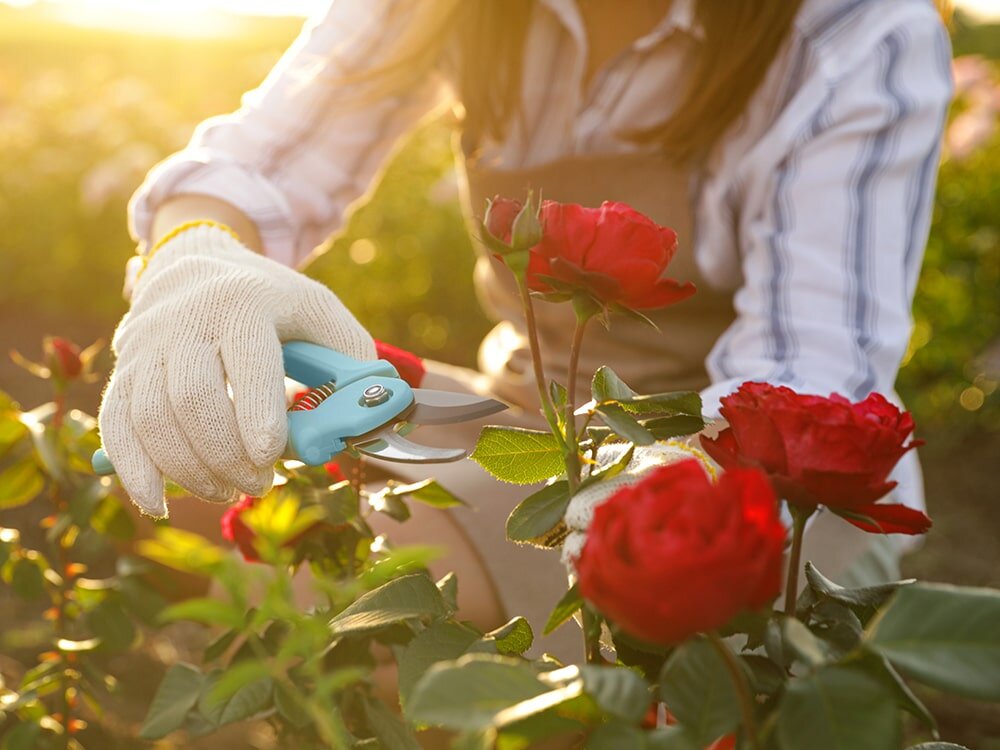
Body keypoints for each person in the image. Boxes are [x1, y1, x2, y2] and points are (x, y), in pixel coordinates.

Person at [99, 0, 954, 656]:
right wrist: (196, 253)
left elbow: (809, 376)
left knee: (367, 605)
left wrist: (640, 497)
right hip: (531, 427)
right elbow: (264, 159)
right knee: (200, 451)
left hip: (763, 486)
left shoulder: (853, 30)